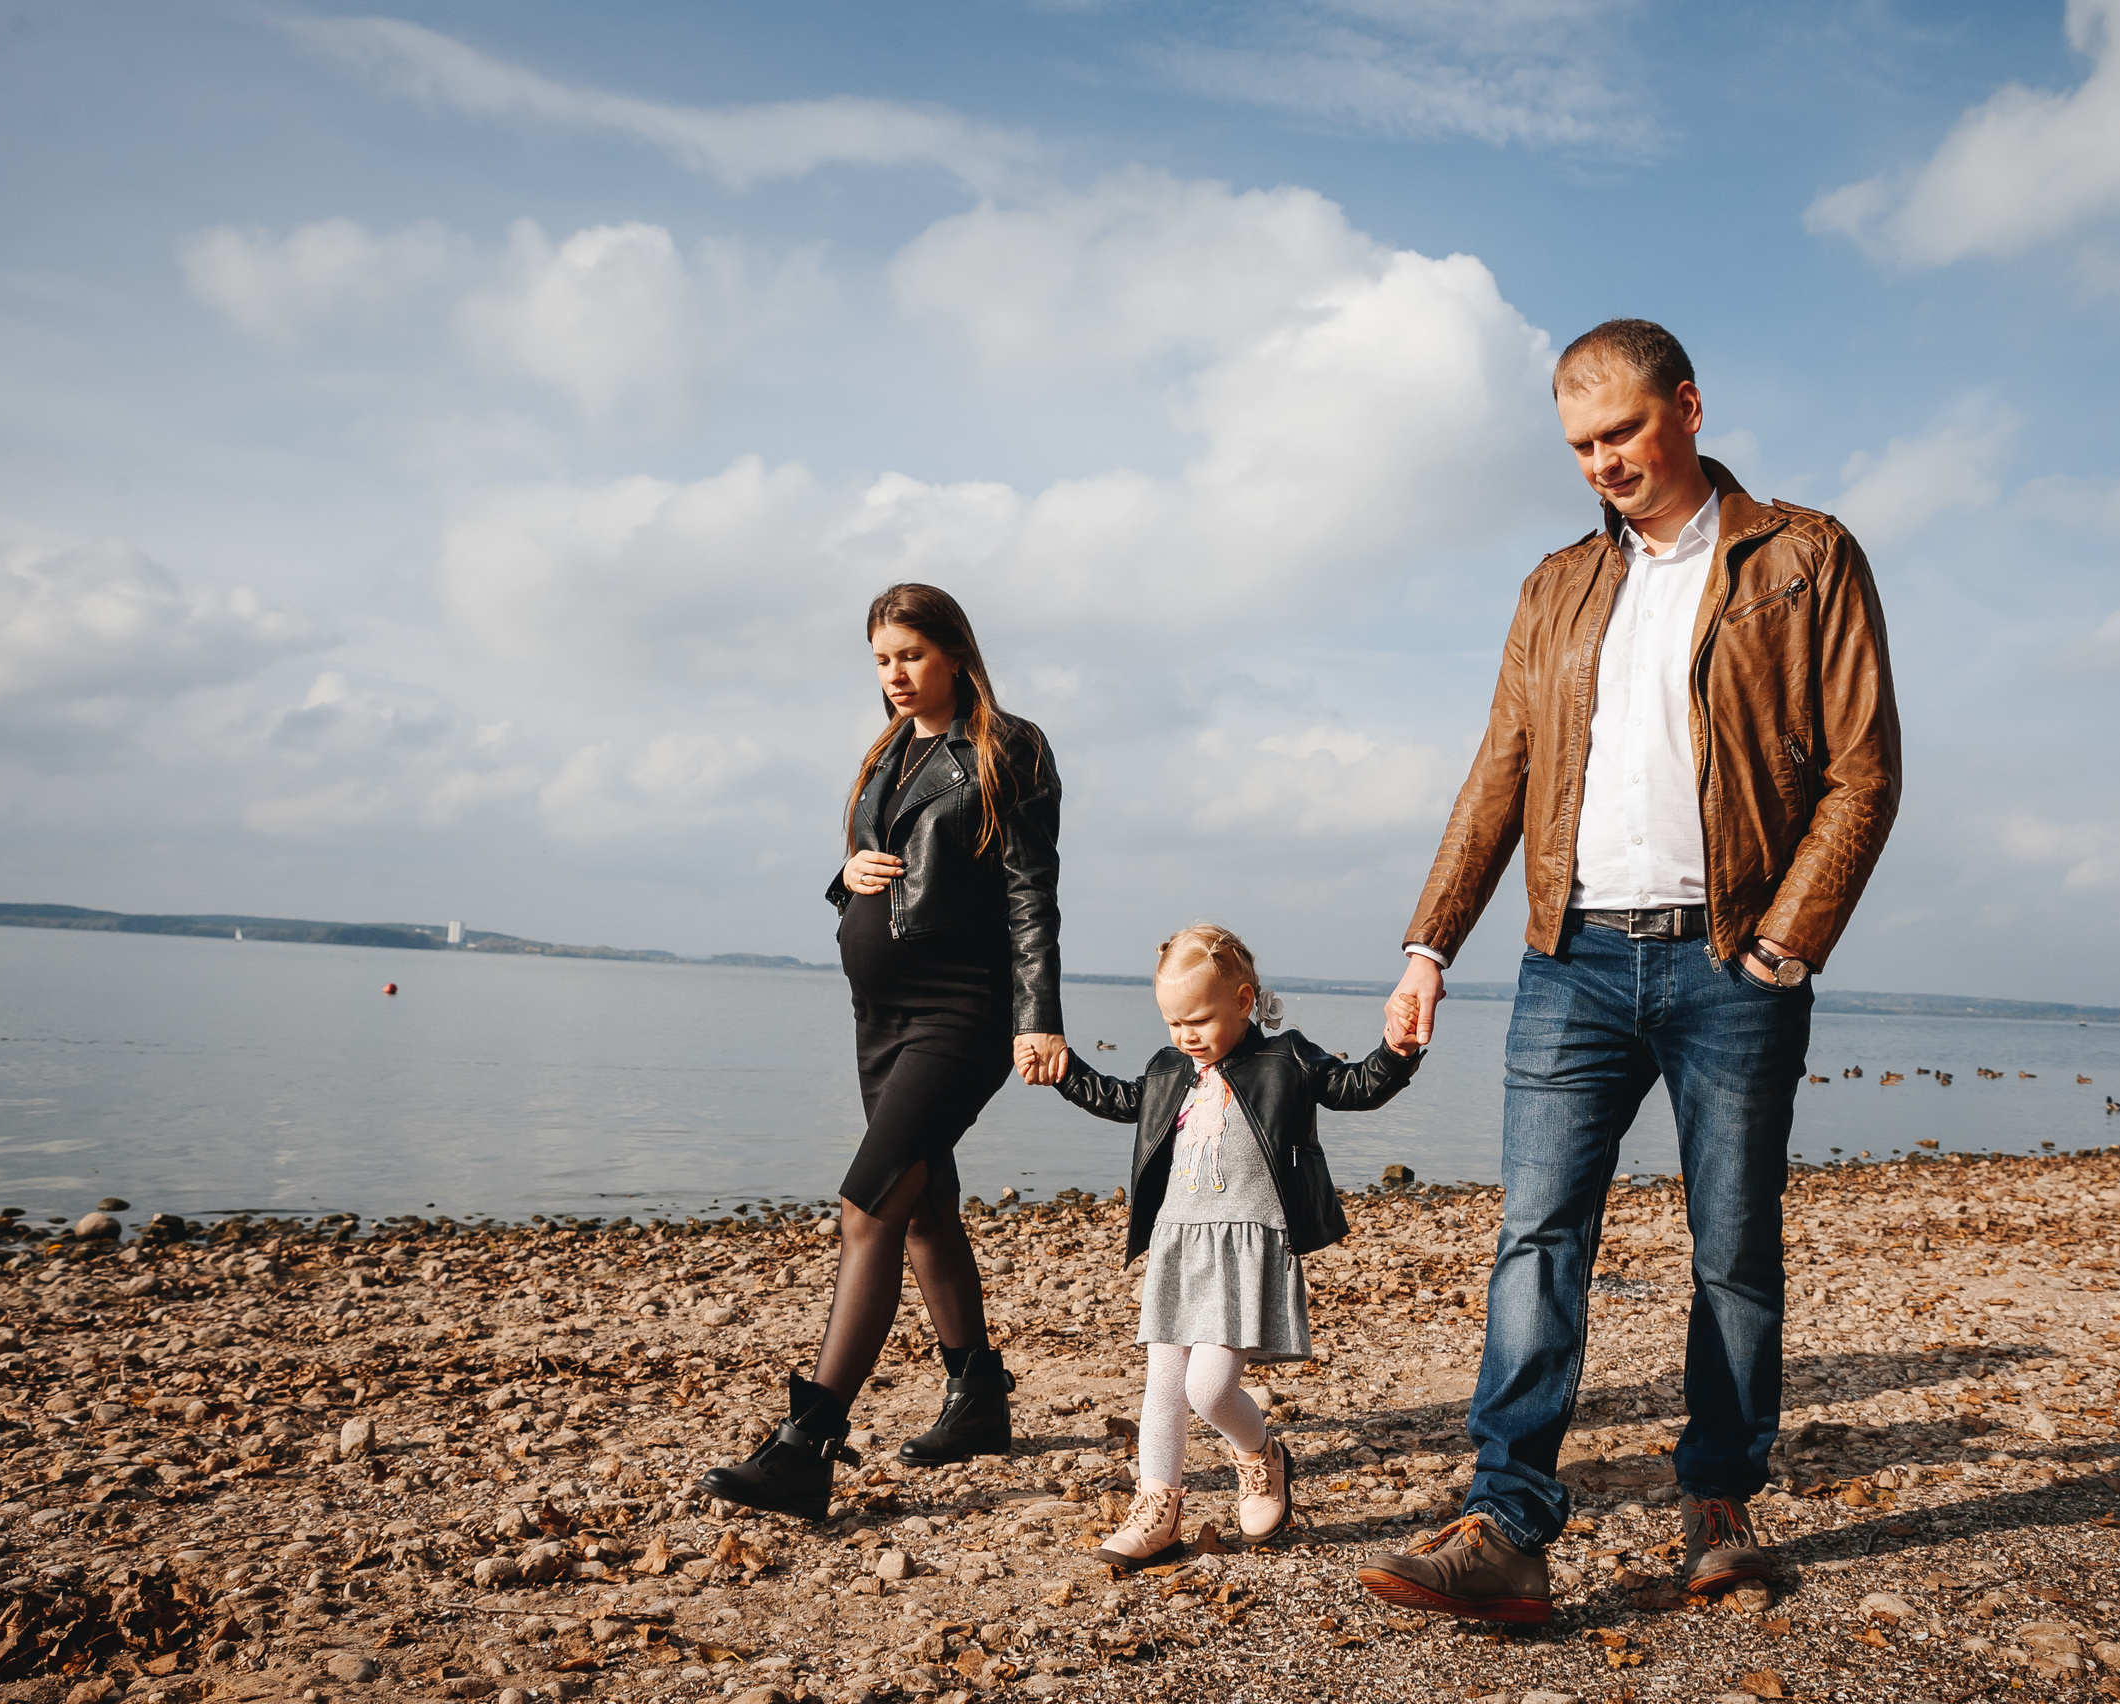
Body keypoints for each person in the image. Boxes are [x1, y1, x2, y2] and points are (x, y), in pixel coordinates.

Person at [1357, 320, 1902, 1622]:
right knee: (1536, 1234)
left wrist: (1786, 940)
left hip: (1733, 965)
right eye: (1579, 445)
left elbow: (1863, 767)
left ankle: (1720, 1506)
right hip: (1573, 960)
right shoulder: (1554, 586)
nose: (1600, 461)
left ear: (1689, 409)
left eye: (1621, 434)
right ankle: (1507, 1519)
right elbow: (1501, 771)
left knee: (1733, 1249)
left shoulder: (1803, 556)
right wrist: (1431, 942)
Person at [700, 583, 1067, 1520]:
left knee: (866, 1207)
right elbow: (875, 872)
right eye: (879, 659)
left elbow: (1029, 889)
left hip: (964, 1011)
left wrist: (1039, 1016)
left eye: (908, 654)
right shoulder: (885, 754)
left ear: (951, 651)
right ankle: (978, 1397)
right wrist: (846, 877)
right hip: (882, 1018)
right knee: (922, 1208)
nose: (894, 675)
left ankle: (808, 1444)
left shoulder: (1005, 747)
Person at [1032, 924, 1422, 1563]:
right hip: (1179, 1243)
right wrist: (1066, 1072)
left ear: (1244, 1002)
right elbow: (1122, 1100)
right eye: (1172, 1022)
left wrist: (1398, 1049)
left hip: (1246, 1249)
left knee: (1208, 1390)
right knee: (1163, 1384)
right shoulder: (1170, 1070)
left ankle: (1260, 1454)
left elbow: (1355, 1087)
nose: (1184, 1035)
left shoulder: (1286, 1060)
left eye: (1198, 1019)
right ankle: (1157, 1506)